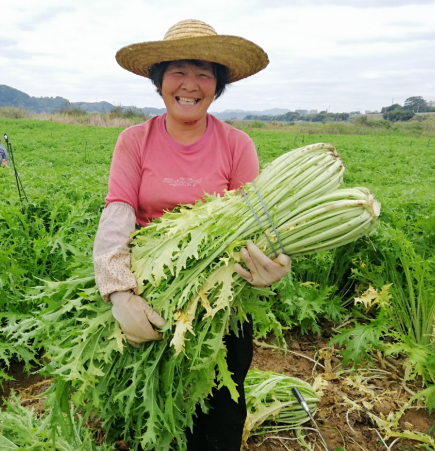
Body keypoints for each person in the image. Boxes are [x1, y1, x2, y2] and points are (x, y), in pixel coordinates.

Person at [92, 19, 292, 451]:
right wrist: (118, 290)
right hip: (152, 291)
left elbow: (254, 223)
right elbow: (117, 212)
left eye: (205, 73)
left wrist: (273, 264)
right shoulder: (134, 140)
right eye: (178, 71)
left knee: (219, 406)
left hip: (222, 297)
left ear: (217, 85)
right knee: (148, 406)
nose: (191, 84)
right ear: (159, 80)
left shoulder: (237, 144)